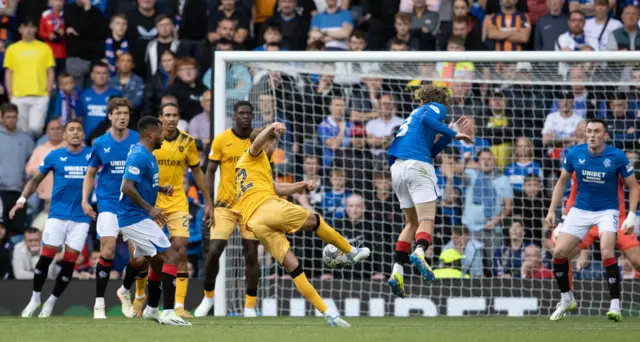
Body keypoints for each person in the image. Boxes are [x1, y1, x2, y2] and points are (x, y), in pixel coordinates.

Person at [235, 122, 370, 327]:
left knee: (294, 267)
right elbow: (256, 143)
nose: (275, 149)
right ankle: (350, 251)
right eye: (273, 145)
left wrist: (302, 185)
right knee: (315, 220)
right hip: (266, 207)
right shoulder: (252, 154)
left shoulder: (256, 168)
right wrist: (271, 127)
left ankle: (328, 314)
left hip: (256, 222)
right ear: (265, 144)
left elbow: (277, 188)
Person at [545, 118, 638, 322]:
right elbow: (562, 183)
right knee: (559, 251)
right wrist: (553, 210)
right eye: (589, 131)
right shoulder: (575, 154)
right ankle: (566, 298)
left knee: (607, 251)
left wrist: (632, 215)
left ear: (605, 135)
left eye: (597, 131)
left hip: (608, 211)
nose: (592, 135)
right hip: (581, 211)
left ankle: (615, 305)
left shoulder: (617, 157)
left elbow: (633, 186)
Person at [386, 85, 473, 297]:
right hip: (417, 165)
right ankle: (420, 251)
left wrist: (447, 134)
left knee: (411, 223)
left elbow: (432, 150)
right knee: (427, 219)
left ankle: (397, 271)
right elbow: (429, 121)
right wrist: (455, 132)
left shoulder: (414, 116)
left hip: (397, 167)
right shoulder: (435, 108)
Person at [11, 119, 92, 318]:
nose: (75, 133)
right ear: (64, 135)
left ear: (83, 135)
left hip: (81, 218)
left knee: (69, 263)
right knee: (45, 258)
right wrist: (21, 200)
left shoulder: (92, 155)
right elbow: (35, 179)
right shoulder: (55, 155)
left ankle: (51, 302)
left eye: (79, 130)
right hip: (57, 215)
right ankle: (35, 298)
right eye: (71, 129)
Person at [117, 116, 190, 326]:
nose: (163, 136)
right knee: (172, 256)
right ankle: (168, 312)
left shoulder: (147, 154)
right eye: (160, 131)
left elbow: (140, 182)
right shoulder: (139, 156)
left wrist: (161, 189)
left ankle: (150, 310)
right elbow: (126, 187)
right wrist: (150, 209)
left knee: (157, 263)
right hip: (135, 218)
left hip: (136, 217)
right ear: (151, 133)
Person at [194, 101, 258, 317]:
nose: (246, 117)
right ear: (234, 115)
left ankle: (250, 305)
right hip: (224, 206)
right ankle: (209, 296)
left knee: (251, 255)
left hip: (250, 207)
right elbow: (210, 171)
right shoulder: (221, 140)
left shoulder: (257, 141)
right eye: (242, 113)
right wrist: (209, 203)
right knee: (214, 250)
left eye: (249, 113)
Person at [81, 98, 141, 319]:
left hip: (133, 204)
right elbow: (90, 174)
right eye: (118, 113)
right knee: (107, 251)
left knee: (139, 258)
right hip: (108, 202)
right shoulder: (99, 143)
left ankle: (124, 290)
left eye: (126, 113)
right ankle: (99, 305)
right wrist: (85, 201)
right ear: (110, 116)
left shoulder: (138, 140)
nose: (122, 117)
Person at [154, 103, 213, 317]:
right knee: (145, 255)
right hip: (153, 202)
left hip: (178, 200)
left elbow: (197, 173)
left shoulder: (187, 142)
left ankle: (179, 306)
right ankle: (142, 298)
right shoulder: (152, 140)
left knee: (180, 248)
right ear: (160, 118)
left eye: (175, 115)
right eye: (167, 115)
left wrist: (208, 201)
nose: (171, 119)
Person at [4, 19, 55, 137]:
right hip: (19, 95)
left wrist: (48, 92)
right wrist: (10, 94)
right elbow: (9, 73)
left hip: (40, 96)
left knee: (36, 128)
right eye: (25, 27)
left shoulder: (45, 48)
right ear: (20, 30)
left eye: (31, 27)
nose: (28, 30)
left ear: (36, 30)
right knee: (21, 131)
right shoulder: (12, 49)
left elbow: (50, 72)